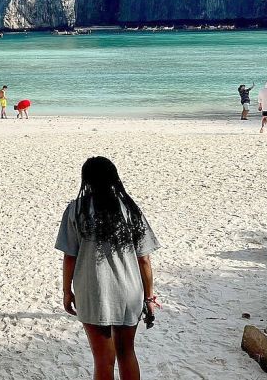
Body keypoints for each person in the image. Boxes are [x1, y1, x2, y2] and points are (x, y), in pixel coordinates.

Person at [56, 157, 160, 380]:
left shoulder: (77, 210)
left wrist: (67, 291)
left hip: (92, 291)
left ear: (86, 180)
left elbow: (69, 257)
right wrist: (150, 297)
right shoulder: (130, 209)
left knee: (103, 359)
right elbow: (144, 259)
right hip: (129, 291)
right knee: (126, 352)